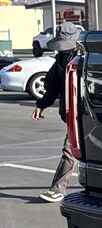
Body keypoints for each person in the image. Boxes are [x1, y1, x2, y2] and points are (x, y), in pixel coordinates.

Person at [32, 21, 82, 202]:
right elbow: (52, 85)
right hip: (70, 113)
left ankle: (58, 189)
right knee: (76, 150)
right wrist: (41, 105)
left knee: (70, 149)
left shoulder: (87, 56)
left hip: (87, 112)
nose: (65, 50)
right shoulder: (61, 60)